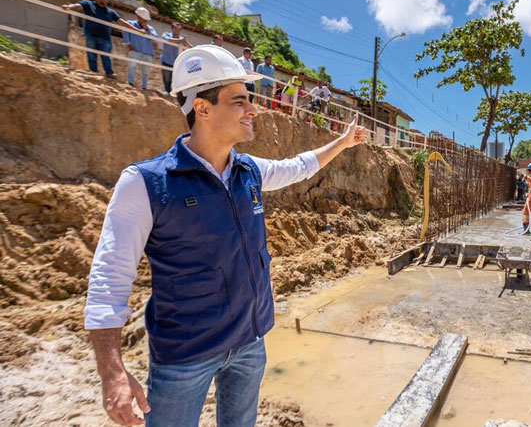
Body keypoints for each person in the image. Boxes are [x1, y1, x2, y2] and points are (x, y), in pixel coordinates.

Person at [84, 44, 366, 426]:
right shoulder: (146, 183)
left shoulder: (248, 171)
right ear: (202, 108)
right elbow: (108, 280)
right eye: (239, 101)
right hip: (184, 357)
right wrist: (112, 372)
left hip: (250, 344)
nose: (253, 110)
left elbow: (297, 167)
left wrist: (344, 142)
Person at [61, 0, 143, 78]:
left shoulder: (110, 12)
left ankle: (109, 73)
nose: (103, 0)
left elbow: (121, 22)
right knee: (91, 55)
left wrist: (136, 30)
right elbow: (78, 6)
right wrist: (69, 7)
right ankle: (93, 73)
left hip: (105, 38)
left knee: (106, 56)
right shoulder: (88, 4)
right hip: (91, 35)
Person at [123, 7, 158, 89]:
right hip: (135, 50)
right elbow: (125, 33)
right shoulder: (130, 24)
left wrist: (147, 29)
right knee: (132, 66)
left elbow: (155, 38)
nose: (145, 21)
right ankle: (130, 83)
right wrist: (128, 45)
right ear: (138, 17)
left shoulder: (150, 28)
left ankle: (144, 87)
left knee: (145, 71)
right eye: (144, 19)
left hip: (147, 52)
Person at [160, 21, 191, 94]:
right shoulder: (166, 34)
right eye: (176, 29)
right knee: (166, 79)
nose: (177, 31)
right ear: (172, 29)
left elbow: (190, 47)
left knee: (175, 80)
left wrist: (185, 42)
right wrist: (180, 40)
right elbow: (168, 40)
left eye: (179, 29)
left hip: (176, 63)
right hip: (166, 60)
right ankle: (167, 92)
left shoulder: (182, 39)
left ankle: (173, 94)